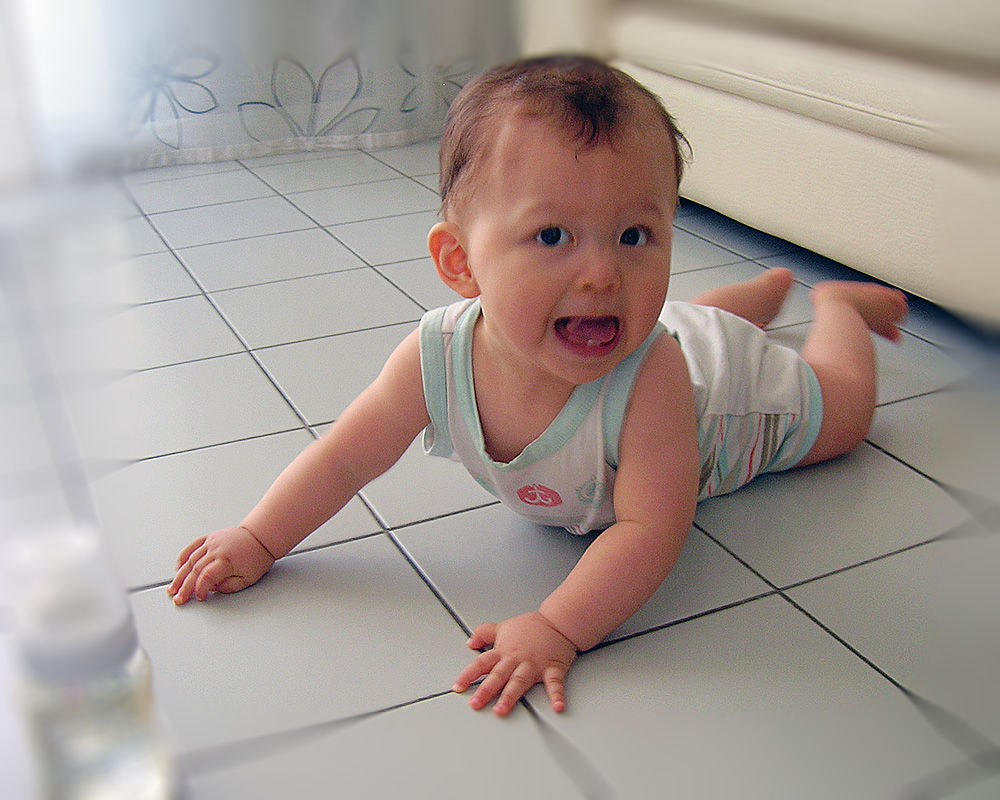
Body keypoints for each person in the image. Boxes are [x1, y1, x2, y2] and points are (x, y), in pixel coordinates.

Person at [168, 55, 908, 717]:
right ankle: (756, 296)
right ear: (460, 262)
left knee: (845, 412)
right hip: (674, 333)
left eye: (635, 235)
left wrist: (557, 625)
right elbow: (343, 459)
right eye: (553, 236)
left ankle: (835, 309)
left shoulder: (651, 374)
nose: (602, 273)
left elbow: (650, 528)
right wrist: (260, 537)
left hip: (727, 401)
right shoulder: (436, 357)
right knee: (677, 321)